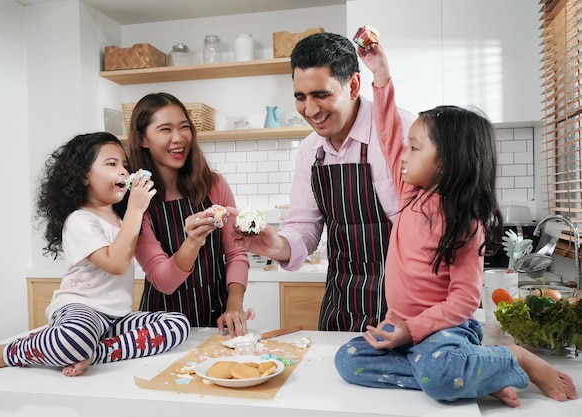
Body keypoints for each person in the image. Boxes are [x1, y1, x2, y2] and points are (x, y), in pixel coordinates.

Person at [333, 40, 577, 407]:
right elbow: (387, 134)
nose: (403, 154)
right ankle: (475, 376)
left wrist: (412, 331)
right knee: (348, 361)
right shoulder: (409, 193)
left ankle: (515, 360)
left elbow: (463, 301)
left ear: (446, 163)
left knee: (443, 370)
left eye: (415, 148)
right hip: (403, 327)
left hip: (445, 331)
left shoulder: (463, 222)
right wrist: (380, 75)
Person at [0, 132, 190, 376]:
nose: (123, 171)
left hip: (117, 318)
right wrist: (136, 207)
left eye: (124, 165)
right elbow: (116, 263)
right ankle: (6, 352)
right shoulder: (80, 220)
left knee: (177, 325)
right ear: (83, 176)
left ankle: (94, 352)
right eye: (112, 164)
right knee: (75, 337)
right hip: (81, 308)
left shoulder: (123, 220)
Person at [232, 32, 416, 331]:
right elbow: (304, 225)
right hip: (342, 301)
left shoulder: (405, 132)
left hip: (406, 303)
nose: (311, 110)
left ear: (353, 85)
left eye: (321, 95)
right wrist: (277, 245)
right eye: (301, 98)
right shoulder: (310, 151)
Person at [127, 93, 252, 337]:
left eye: (184, 127)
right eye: (165, 129)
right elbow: (163, 280)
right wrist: (193, 242)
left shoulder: (214, 185)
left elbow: (235, 253)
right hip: (161, 329)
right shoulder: (136, 201)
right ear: (143, 139)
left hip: (217, 320)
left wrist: (234, 306)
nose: (179, 137)